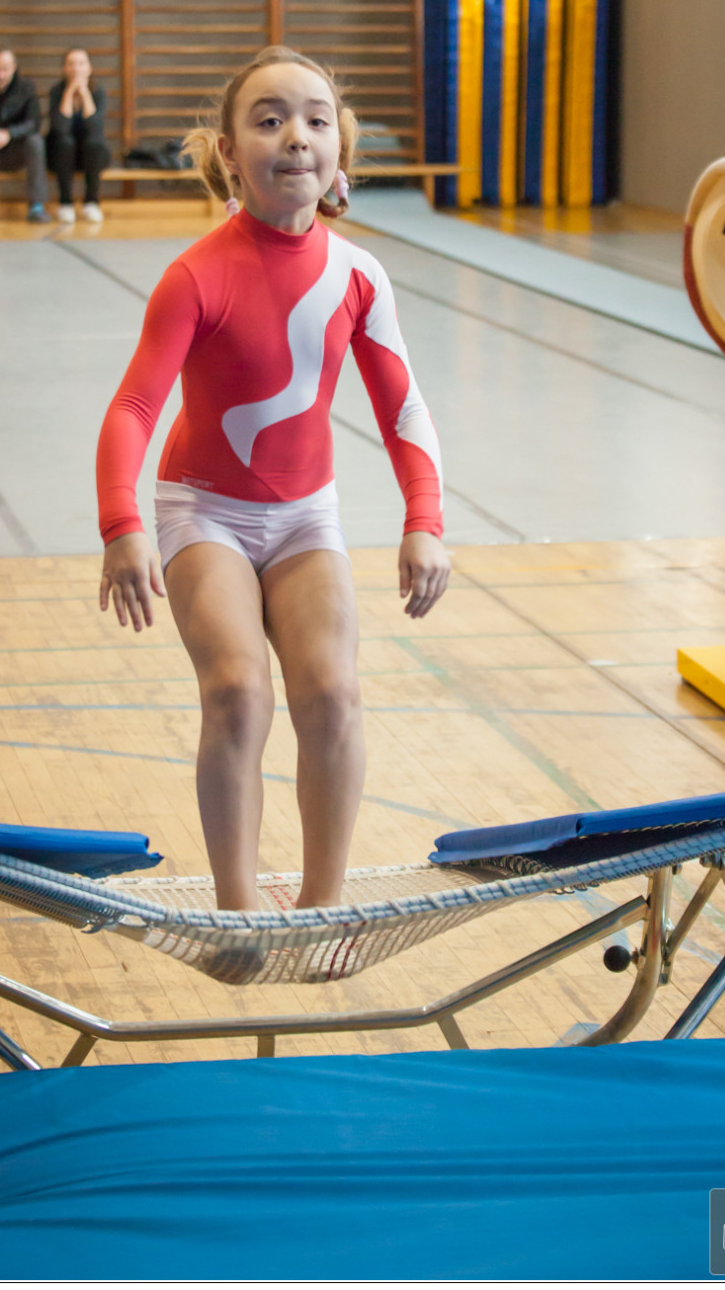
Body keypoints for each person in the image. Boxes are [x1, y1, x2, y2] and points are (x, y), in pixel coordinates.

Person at [96, 45, 450, 925]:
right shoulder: (196, 276)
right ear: (228, 153)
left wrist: (425, 519)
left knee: (330, 691)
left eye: (315, 120)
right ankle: (239, 912)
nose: (296, 136)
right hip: (202, 511)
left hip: (302, 518)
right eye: (269, 120)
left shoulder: (358, 275)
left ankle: (322, 906)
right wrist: (121, 525)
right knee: (238, 689)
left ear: (339, 150)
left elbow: (403, 408)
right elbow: (134, 407)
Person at [0, 46, 49, 223]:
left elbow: (33, 123)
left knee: (35, 142)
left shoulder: (26, 87)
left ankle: (36, 205)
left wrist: (8, 134)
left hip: (14, 151)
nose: (0, 75)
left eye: (4, 69)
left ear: (13, 67)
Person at [47, 47, 111, 225]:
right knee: (64, 142)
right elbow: (61, 128)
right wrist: (69, 93)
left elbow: (95, 128)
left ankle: (92, 202)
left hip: (90, 156)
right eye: (71, 64)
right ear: (64, 68)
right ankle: (65, 203)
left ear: (89, 68)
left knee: (94, 142)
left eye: (81, 63)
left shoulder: (98, 92)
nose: (76, 68)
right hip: (62, 156)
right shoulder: (56, 92)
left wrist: (84, 93)